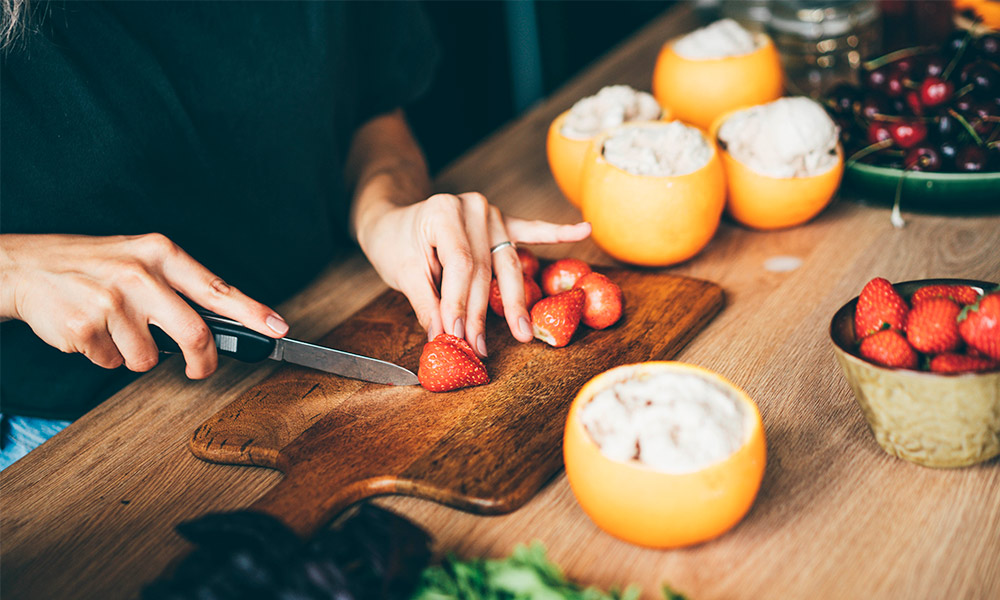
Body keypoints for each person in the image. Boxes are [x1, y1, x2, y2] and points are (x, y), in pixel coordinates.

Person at [0, 1, 590, 469]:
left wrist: (384, 206)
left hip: (330, 304)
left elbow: (371, 109)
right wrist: (14, 270)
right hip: (69, 442)